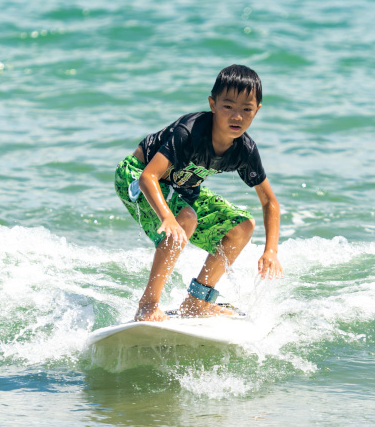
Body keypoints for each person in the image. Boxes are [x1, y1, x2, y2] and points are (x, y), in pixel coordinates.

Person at [114, 64, 283, 322]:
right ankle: (147, 306)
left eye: (246, 109)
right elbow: (149, 177)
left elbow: (269, 201)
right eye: (228, 106)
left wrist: (271, 251)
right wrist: (167, 217)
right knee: (185, 218)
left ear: (257, 110)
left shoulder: (245, 151)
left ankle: (197, 302)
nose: (237, 116)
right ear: (212, 104)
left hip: (182, 187)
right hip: (136, 176)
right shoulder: (190, 132)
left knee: (242, 226)